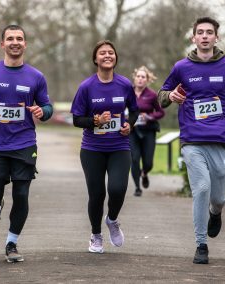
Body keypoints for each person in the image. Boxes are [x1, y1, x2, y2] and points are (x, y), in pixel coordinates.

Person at [158, 17, 225, 264]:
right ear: (193, 38)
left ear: (216, 37)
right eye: (200, 32)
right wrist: (171, 95)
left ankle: (216, 212)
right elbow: (161, 96)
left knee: (219, 198)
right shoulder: (181, 67)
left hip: (220, 140)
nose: (204, 36)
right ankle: (201, 244)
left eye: (209, 32)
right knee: (201, 189)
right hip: (192, 140)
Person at [0, 24, 53, 263]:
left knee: (22, 194)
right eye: (10, 38)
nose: (15, 42)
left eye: (19, 38)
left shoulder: (36, 76)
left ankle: (12, 243)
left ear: (25, 44)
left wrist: (42, 111)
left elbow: (47, 106)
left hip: (24, 143)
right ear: (2, 44)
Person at [70, 40, 139, 253]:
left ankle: (112, 220)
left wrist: (130, 124)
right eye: (102, 53)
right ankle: (96, 235)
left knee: (117, 189)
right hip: (92, 149)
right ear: (95, 59)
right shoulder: (86, 87)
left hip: (119, 146)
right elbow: (77, 119)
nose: (107, 55)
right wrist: (95, 122)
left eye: (111, 52)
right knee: (97, 194)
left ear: (115, 57)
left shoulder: (125, 84)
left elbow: (134, 111)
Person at [129, 66, 165, 197]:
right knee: (134, 159)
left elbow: (161, 112)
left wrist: (149, 117)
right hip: (132, 131)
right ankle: (137, 188)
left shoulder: (152, 95)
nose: (140, 79)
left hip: (148, 131)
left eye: (143, 77)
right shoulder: (128, 93)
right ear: (134, 78)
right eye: (138, 76)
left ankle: (144, 173)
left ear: (147, 80)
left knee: (148, 162)